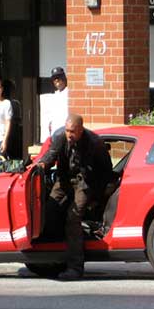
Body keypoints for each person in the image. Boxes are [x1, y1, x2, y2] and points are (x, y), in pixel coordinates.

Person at [38, 113, 112, 280]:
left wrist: (96, 196)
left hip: (85, 182)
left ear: (80, 130)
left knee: (73, 217)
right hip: (64, 180)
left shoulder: (94, 143)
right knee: (50, 209)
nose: (69, 135)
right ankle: (51, 258)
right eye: (67, 130)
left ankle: (75, 267)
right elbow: (51, 155)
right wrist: (41, 165)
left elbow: (106, 171)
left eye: (72, 131)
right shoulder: (59, 136)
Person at [47, 66, 69, 135]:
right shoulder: (55, 95)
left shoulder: (69, 93)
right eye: (54, 79)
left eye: (58, 78)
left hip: (65, 131)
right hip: (55, 132)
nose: (56, 80)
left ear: (64, 78)